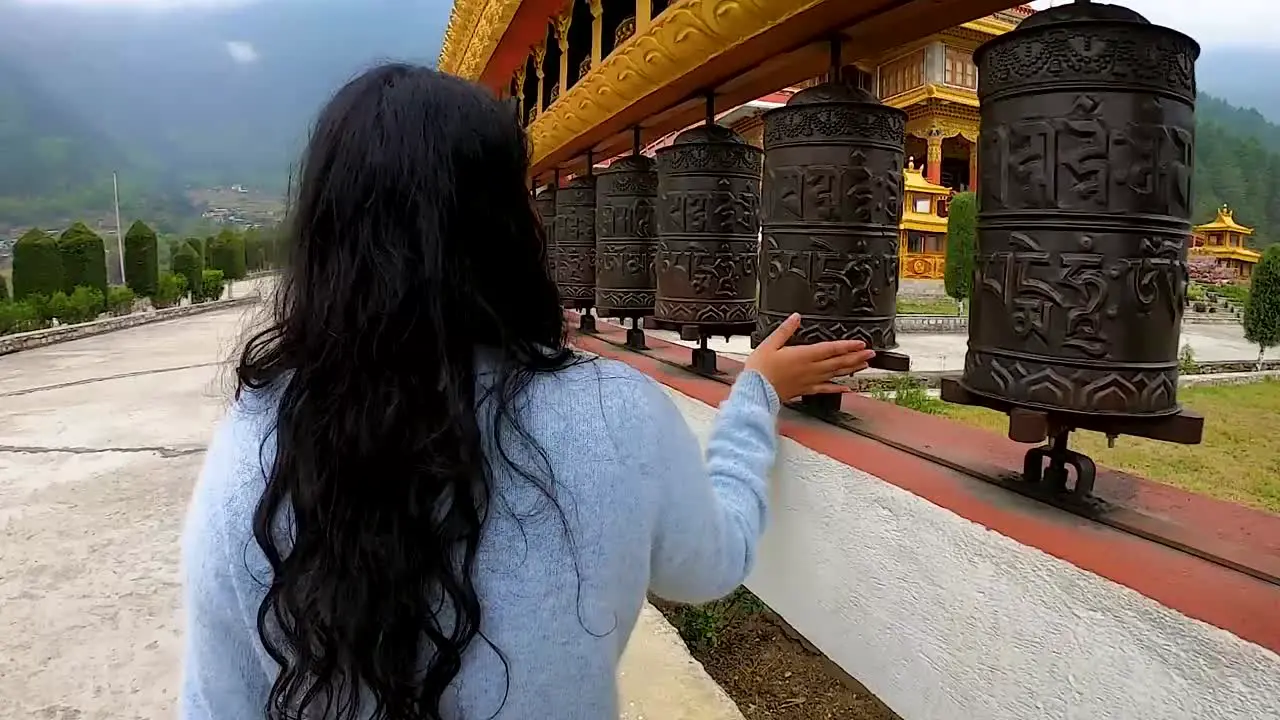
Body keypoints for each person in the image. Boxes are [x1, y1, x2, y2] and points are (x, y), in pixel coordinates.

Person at [180, 63, 876, 720]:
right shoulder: (615, 415)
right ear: (504, 227)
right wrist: (754, 396)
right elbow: (710, 565)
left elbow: (216, 704)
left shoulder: (254, 447)